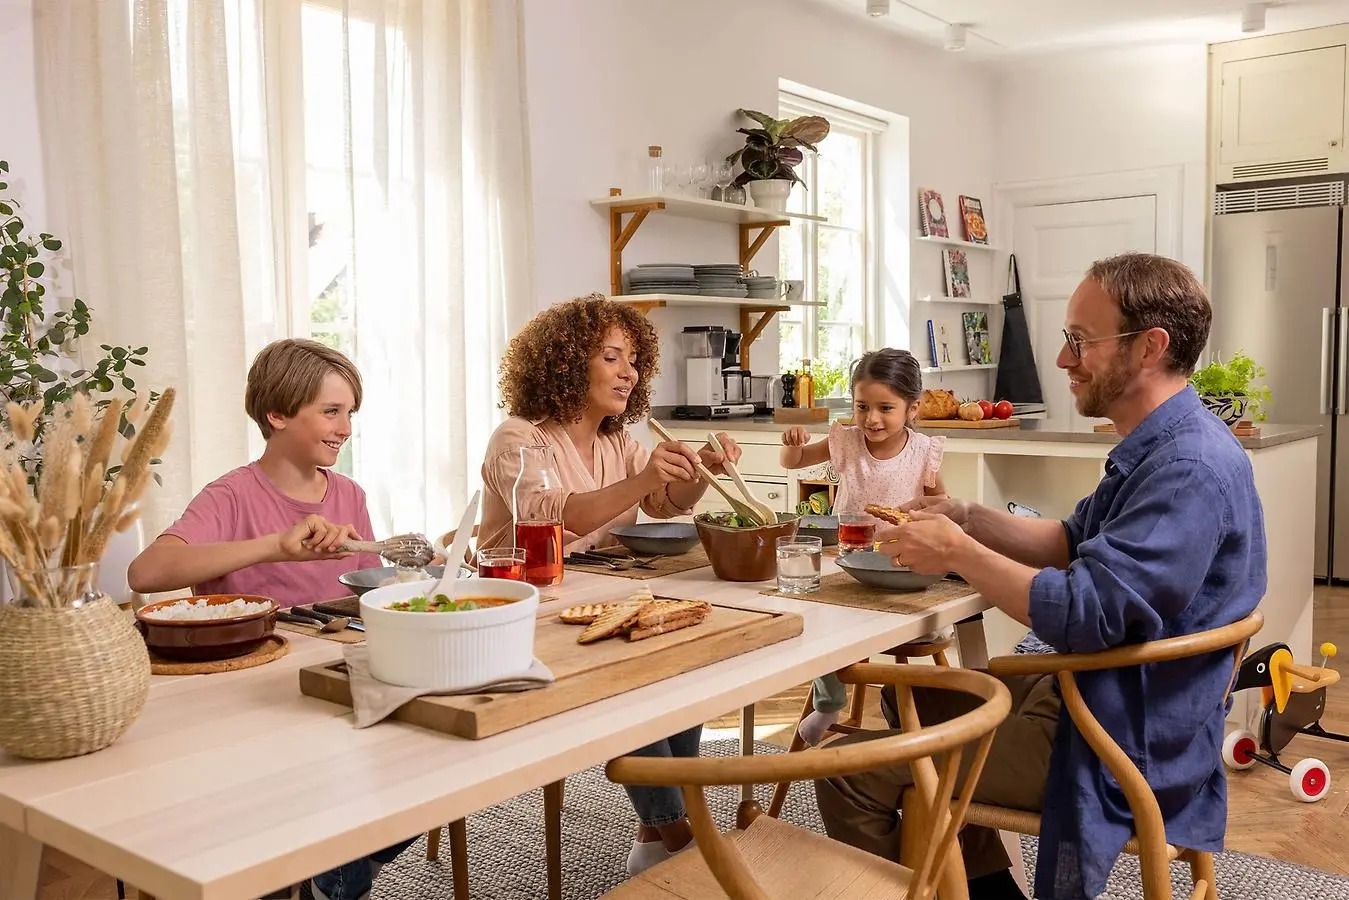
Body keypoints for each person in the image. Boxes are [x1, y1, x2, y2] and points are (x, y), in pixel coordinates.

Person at [814, 253, 1267, 900]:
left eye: (1079, 341)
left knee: (845, 766)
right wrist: (966, 517)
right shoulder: (1165, 442)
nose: (1061, 360)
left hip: (1112, 736)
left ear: (1149, 348)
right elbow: (1068, 541)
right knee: (910, 698)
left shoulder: (1186, 468)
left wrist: (958, 553)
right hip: (1106, 698)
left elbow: (1085, 613)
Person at [128, 338, 406, 900]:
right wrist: (272, 546)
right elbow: (147, 571)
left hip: (331, 673)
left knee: (428, 764)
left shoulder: (349, 493)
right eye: (331, 411)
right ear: (277, 414)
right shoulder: (230, 496)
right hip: (253, 695)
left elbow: (367, 589)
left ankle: (337, 873)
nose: (346, 427)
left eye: (350, 413)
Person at [479, 293, 742, 876]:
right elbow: (558, 515)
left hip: (605, 598)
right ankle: (682, 835)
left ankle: (657, 830)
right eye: (612, 358)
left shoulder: (619, 441)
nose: (629, 373)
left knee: (683, 659)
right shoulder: (518, 438)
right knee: (631, 686)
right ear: (569, 361)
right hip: (528, 607)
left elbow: (662, 501)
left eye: (633, 362)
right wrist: (649, 474)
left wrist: (698, 470)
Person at [780, 348, 948, 745]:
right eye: (862, 407)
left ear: (912, 408)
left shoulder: (924, 451)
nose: (871, 418)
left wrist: (923, 514)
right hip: (848, 560)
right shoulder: (847, 441)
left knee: (879, 623)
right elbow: (794, 462)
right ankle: (829, 702)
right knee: (818, 618)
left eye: (885, 408)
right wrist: (791, 443)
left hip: (897, 563)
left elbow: (943, 502)